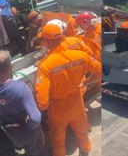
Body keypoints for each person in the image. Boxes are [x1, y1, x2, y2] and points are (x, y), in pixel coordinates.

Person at [35, 24, 101, 156]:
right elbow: (100, 72)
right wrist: (86, 82)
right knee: (82, 131)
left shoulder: (45, 66)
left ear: (48, 42)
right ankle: (84, 151)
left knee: (58, 140)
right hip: (77, 103)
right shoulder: (80, 55)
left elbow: (42, 103)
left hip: (58, 110)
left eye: (43, 40)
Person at [0, 50, 43, 156]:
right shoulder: (21, 88)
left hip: (11, 132)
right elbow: (35, 119)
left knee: (20, 150)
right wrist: (28, 128)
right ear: (11, 66)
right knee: (36, 151)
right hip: (27, 129)